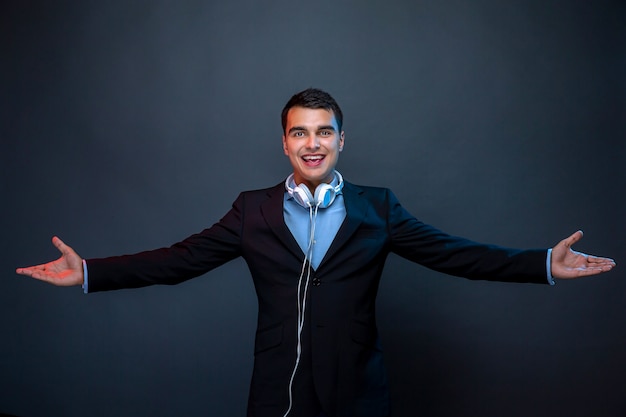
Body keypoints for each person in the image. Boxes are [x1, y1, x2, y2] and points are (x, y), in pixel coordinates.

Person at [16, 88, 616, 417]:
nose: (312, 142)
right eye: (300, 131)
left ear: (340, 140)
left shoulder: (376, 206)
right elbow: (180, 259)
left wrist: (541, 263)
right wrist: (90, 271)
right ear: (285, 143)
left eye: (323, 130)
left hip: (359, 387)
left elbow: (452, 254)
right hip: (278, 389)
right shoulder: (252, 209)